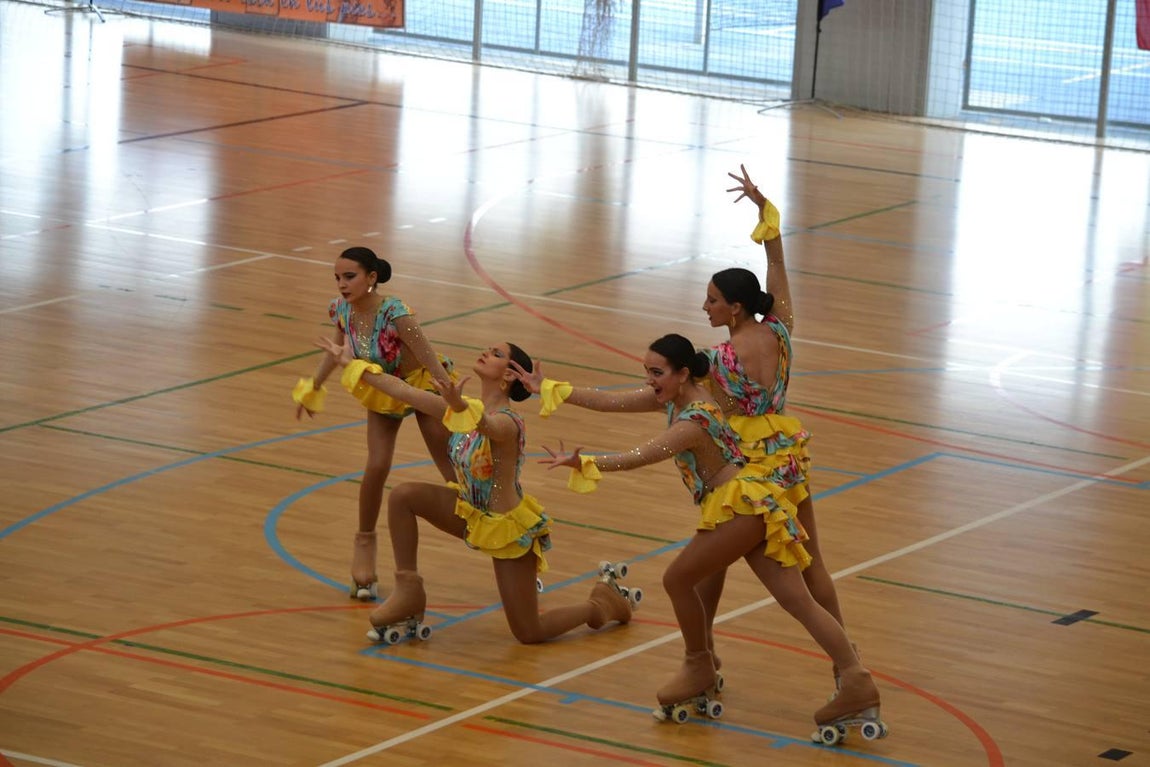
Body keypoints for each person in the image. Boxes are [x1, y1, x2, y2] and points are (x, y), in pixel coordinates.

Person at [525, 334, 881, 733]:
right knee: (796, 599)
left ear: (681, 374)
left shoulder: (693, 420)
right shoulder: (681, 397)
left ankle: (699, 664)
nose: (648, 381)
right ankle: (856, 679)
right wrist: (550, 388)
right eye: (646, 372)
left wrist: (584, 463)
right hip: (753, 501)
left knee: (677, 579)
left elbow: (639, 456)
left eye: (656, 372)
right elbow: (611, 401)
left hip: (737, 507)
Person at [313, 335, 635, 645]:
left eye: (496, 353)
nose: (486, 352)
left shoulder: (510, 422)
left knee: (529, 632)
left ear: (509, 375)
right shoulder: (461, 408)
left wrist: (458, 406)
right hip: (468, 512)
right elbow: (404, 391)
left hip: (505, 530)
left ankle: (601, 604)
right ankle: (409, 592)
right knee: (403, 497)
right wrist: (353, 365)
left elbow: (487, 426)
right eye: (489, 348)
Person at [707, 165, 854, 687]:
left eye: (713, 300)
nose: (705, 306)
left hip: (747, 468)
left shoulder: (720, 358)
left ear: (735, 308)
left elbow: (722, 410)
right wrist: (764, 209)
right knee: (814, 563)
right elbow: (776, 263)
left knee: (711, 563)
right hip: (788, 455)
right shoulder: (782, 329)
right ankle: (847, 660)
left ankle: (702, 658)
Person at [292, 246, 456, 601]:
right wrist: (313, 387)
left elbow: (428, 357)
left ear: (371, 277)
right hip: (384, 389)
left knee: (451, 468)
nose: (342, 284)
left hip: (422, 387)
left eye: (349, 276)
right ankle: (364, 543)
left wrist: (454, 402)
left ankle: (505, 540)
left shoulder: (396, 313)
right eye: (337, 277)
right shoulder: (342, 310)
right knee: (377, 465)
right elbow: (335, 352)